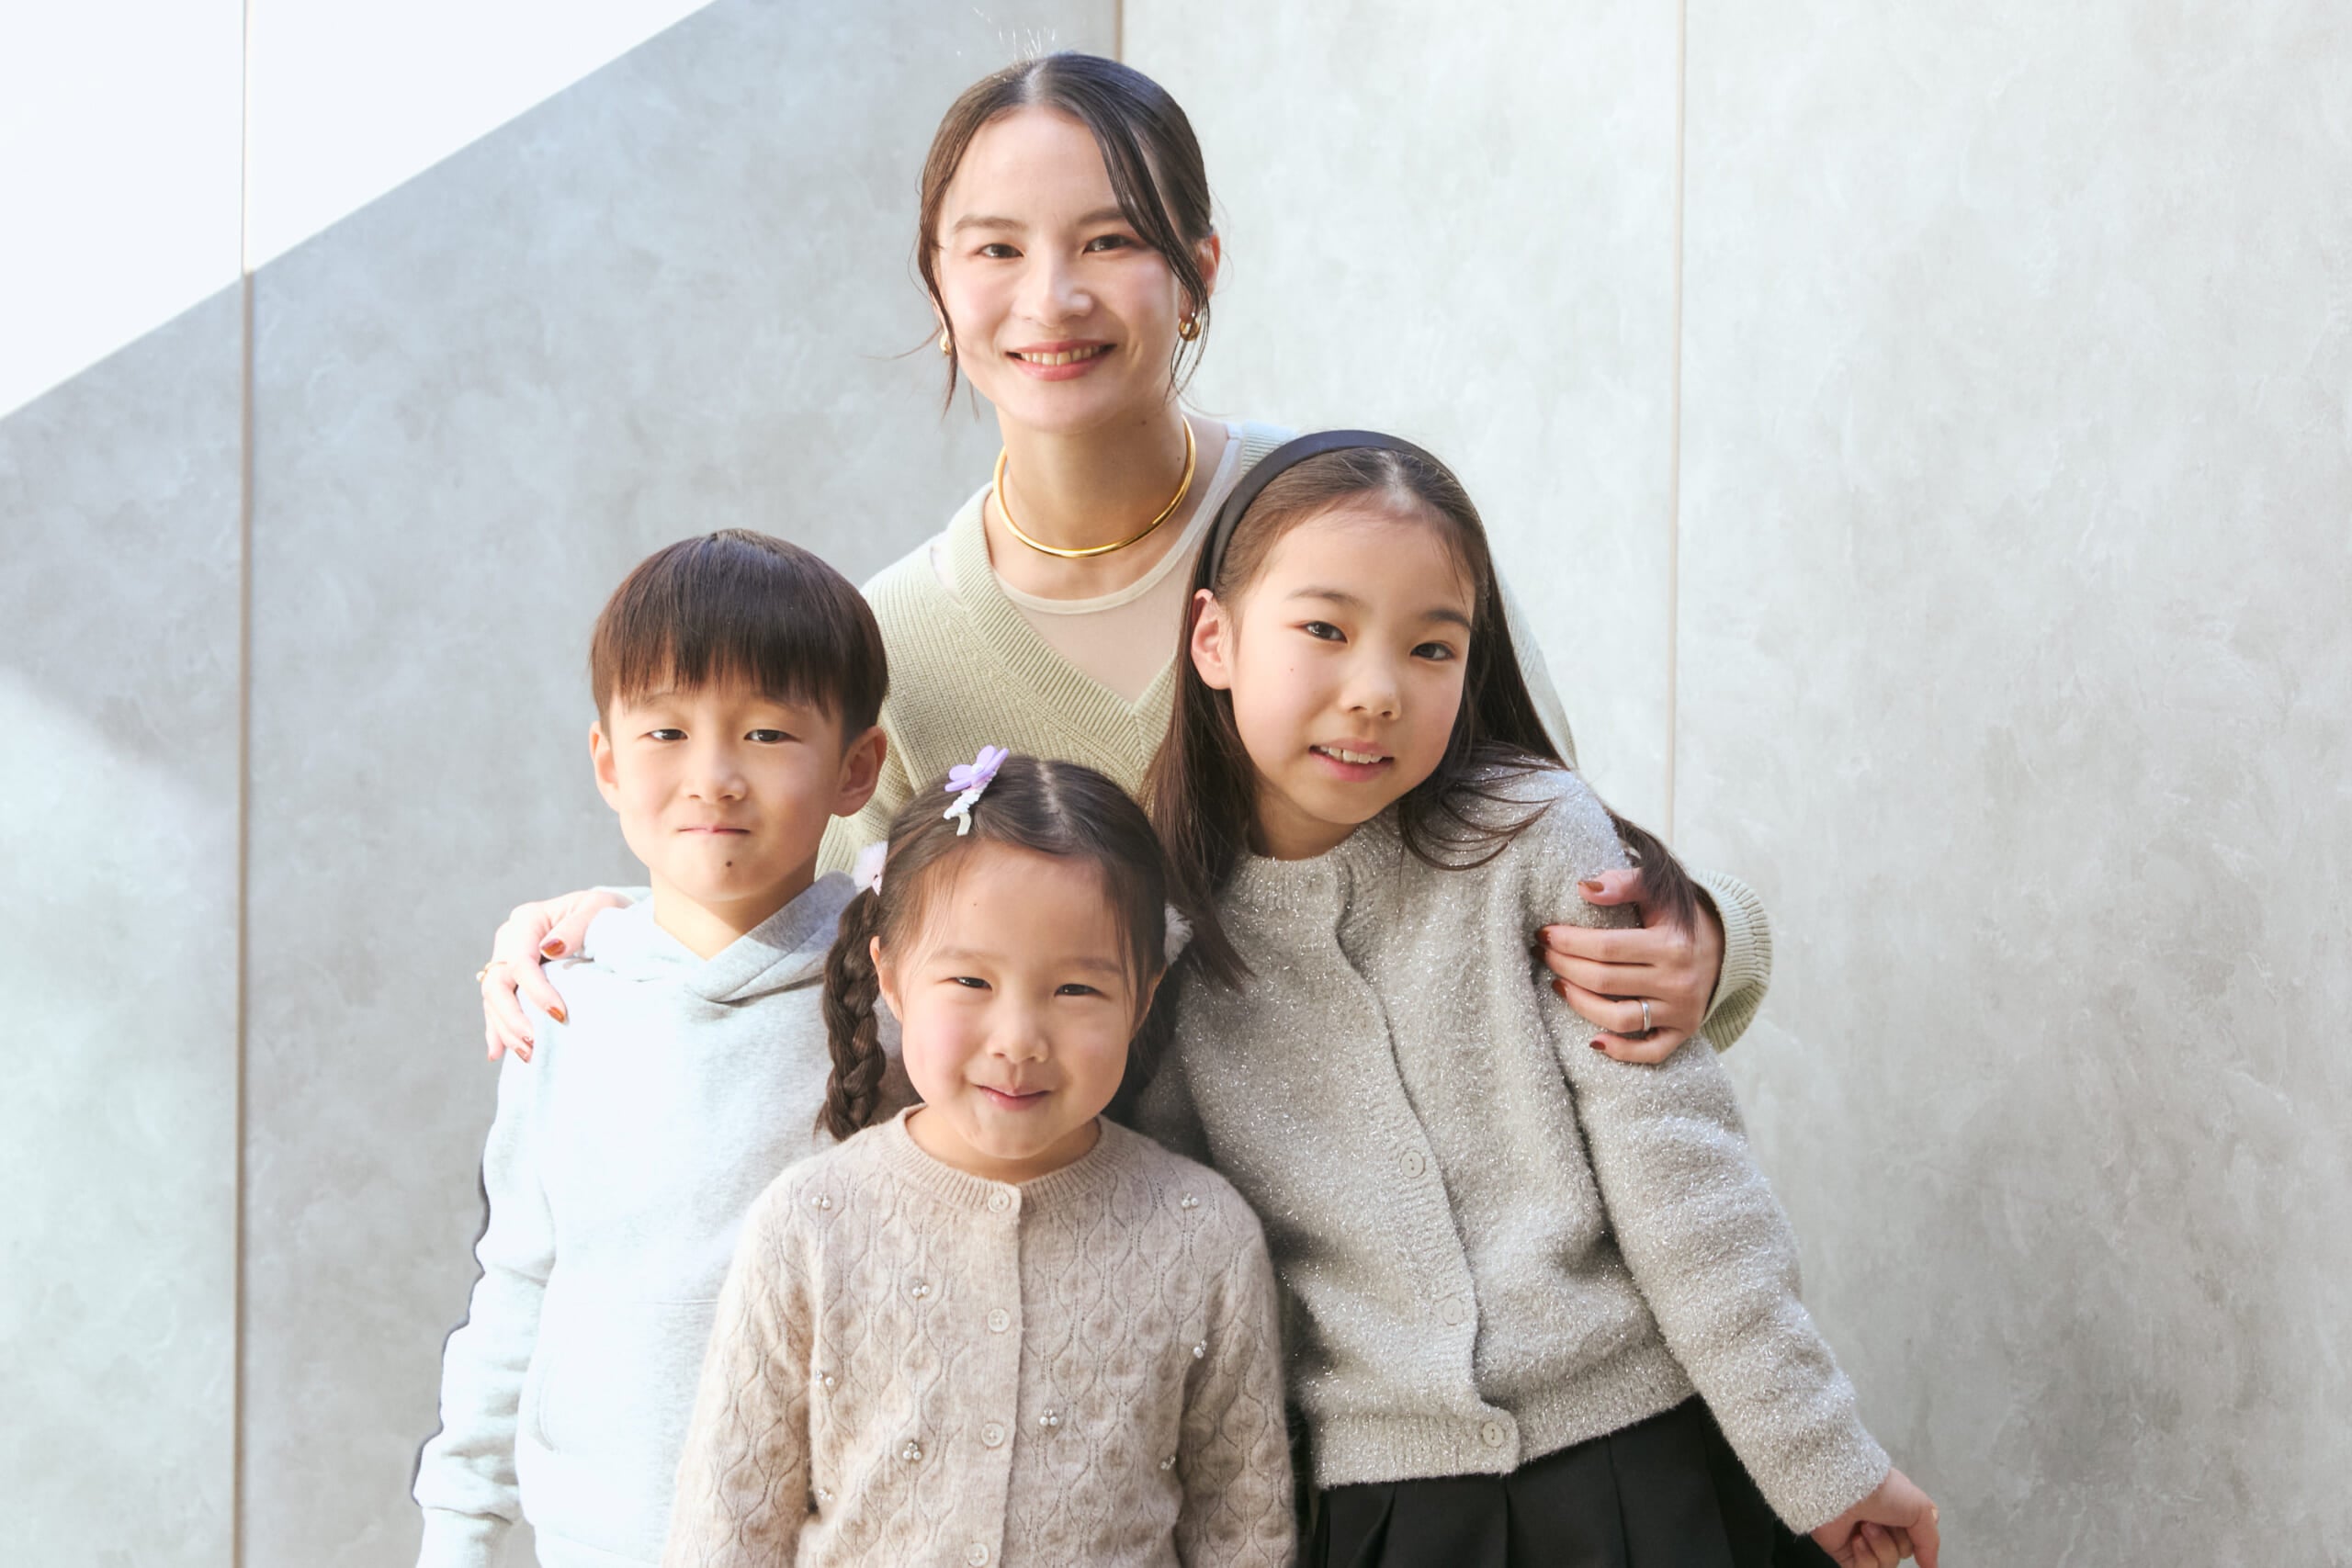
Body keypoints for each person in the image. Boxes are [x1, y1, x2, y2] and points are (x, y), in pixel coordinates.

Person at [475, 51, 1767, 1077]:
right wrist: (614, 935)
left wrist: (1709, 941)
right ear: (938, 282)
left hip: (1435, 1303)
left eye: (1108, 241)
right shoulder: (895, 641)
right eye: (995, 248)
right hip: (1130, 1305)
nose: (1051, 299)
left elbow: (1558, 846)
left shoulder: (1353, 524)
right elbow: (812, 972)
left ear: (1198, 272)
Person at [1137, 432, 1940, 1568]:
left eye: (1430, 647)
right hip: (1377, 1513)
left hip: (1643, 1467)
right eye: (1323, 629)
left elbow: (1686, 1179)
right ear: (1213, 638)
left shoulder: (1530, 836)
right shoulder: (1156, 939)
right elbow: (1184, 1276)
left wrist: (1821, 1456)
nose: (1375, 693)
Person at [661, 752, 1293, 1567]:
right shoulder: (810, 1222)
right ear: (890, 975)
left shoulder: (1204, 1234)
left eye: (1076, 991)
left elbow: (1243, 1526)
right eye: (969, 979)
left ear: (1143, 993)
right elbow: (729, 1522)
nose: (1019, 1040)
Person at [411, 531, 896, 1567]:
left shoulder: (904, 1002)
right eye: (667, 732)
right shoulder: (562, 1006)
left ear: (858, 767)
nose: (713, 777)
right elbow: (519, 1283)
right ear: (607, 761)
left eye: (767, 735)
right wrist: (455, 1528)